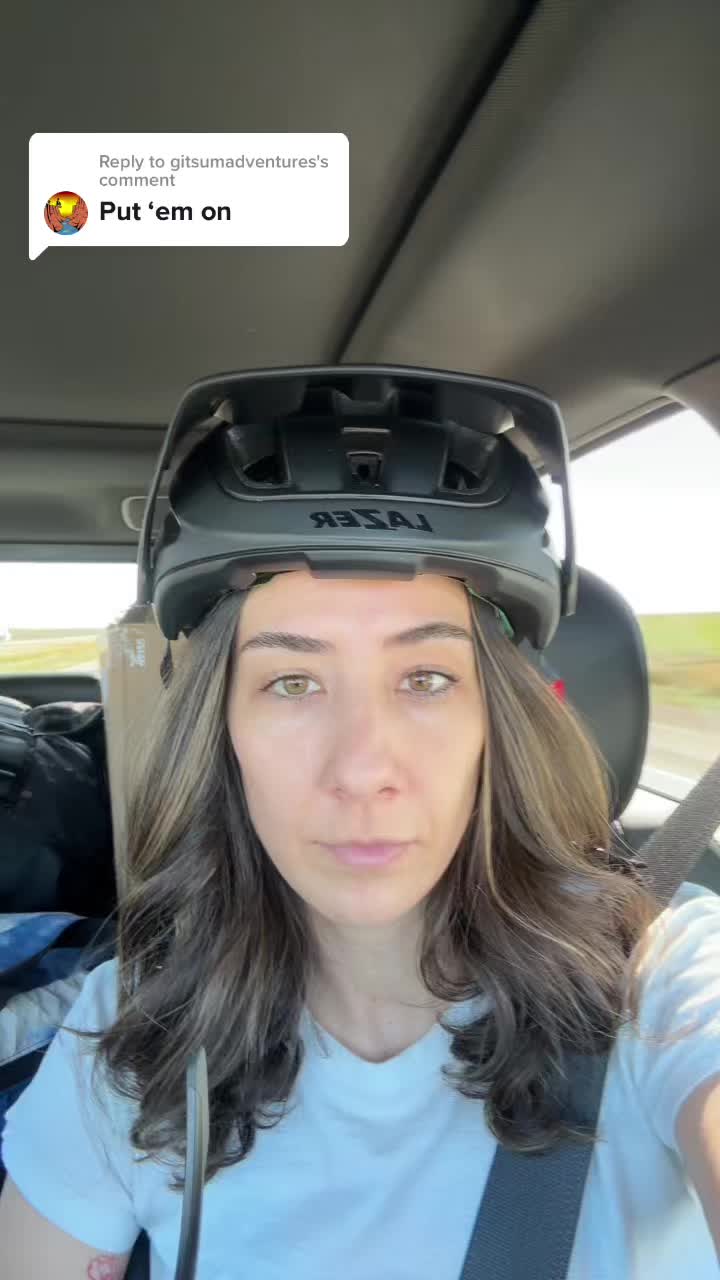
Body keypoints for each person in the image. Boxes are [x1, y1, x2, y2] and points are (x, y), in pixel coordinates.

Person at [1, 514, 720, 1274]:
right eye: (293, 683)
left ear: (498, 724)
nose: (361, 769)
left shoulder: (665, 983)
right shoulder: (138, 1024)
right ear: (221, 737)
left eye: (426, 679)